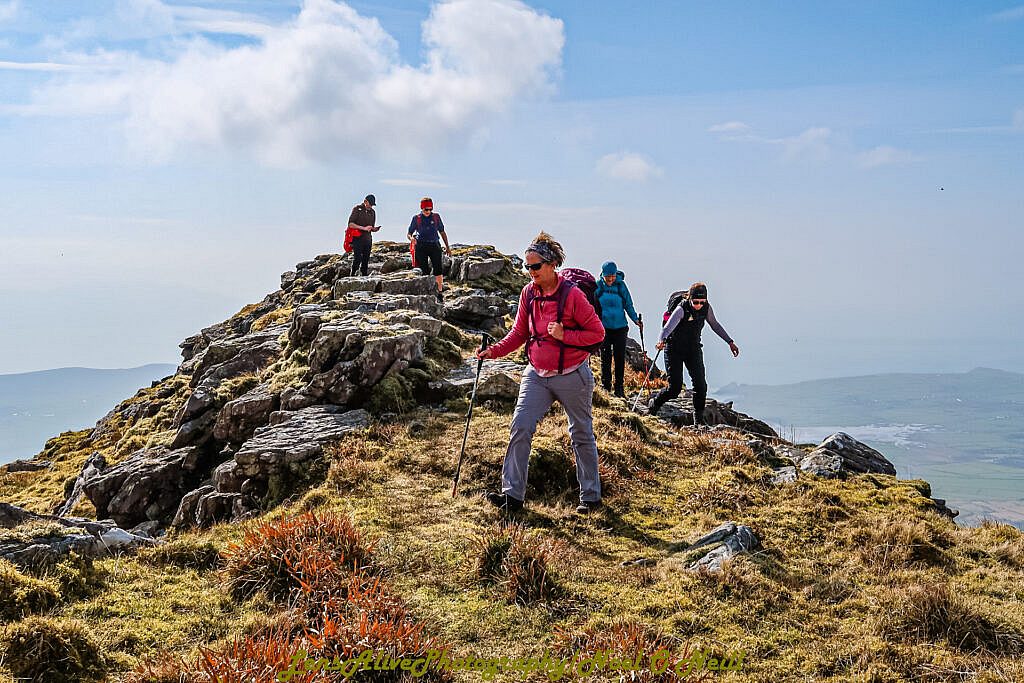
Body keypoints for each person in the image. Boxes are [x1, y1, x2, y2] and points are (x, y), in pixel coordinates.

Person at [477, 232, 606, 515]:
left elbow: (597, 333)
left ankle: (591, 498)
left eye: (535, 267)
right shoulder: (528, 294)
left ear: (551, 265)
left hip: (572, 374)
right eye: (527, 267)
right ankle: (512, 497)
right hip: (536, 374)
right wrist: (493, 351)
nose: (530, 272)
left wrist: (565, 335)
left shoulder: (572, 295)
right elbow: (519, 333)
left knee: (581, 433)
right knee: (520, 426)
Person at [648, 282, 740, 425]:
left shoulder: (706, 309)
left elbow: (715, 324)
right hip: (674, 349)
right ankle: (655, 403)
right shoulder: (681, 309)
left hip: (693, 349)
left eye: (702, 302)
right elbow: (666, 329)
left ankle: (698, 421)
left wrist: (730, 342)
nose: (698, 305)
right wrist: (661, 341)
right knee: (674, 388)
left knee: (701, 386)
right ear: (689, 299)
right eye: (695, 302)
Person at [595, 261, 642, 398]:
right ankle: (606, 386)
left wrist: (635, 319)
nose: (610, 279)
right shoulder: (598, 286)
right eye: (607, 276)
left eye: (612, 276)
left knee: (620, 358)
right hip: (604, 328)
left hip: (620, 328)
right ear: (603, 275)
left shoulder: (621, 285)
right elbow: (591, 303)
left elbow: (628, 304)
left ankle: (619, 388)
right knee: (605, 357)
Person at [407, 197, 452, 302]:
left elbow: (442, 232)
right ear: (422, 208)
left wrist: (448, 247)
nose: (428, 211)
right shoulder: (416, 218)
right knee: (424, 270)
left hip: (434, 245)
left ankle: (440, 293)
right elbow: (409, 233)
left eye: (430, 209)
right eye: (426, 209)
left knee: (438, 269)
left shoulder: (436, 217)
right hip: (421, 246)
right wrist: (411, 238)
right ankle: (427, 292)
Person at [348, 194, 380, 277]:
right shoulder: (357, 209)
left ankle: (364, 277)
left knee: (365, 260)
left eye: (372, 205)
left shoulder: (373, 212)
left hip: (368, 239)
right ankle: (352, 275)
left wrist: (374, 229)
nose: (371, 207)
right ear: (365, 201)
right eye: (370, 204)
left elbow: (370, 227)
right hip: (357, 238)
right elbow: (350, 224)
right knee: (357, 258)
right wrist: (363, 228)